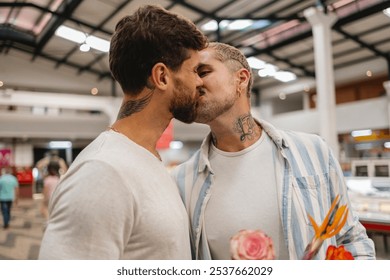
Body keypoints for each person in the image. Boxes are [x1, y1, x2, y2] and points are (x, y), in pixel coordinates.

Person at [172, 42, 376, 260]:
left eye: (203, 72)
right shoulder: (183, 181)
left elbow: (352, 239)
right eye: (191, 75)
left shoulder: (313, 151)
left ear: (241, 79)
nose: (195, 83)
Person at [39, 5, 207, 259]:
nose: (200, 82)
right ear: (161, 76)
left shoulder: (142, 158)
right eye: (195, 70)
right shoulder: (102, 173)